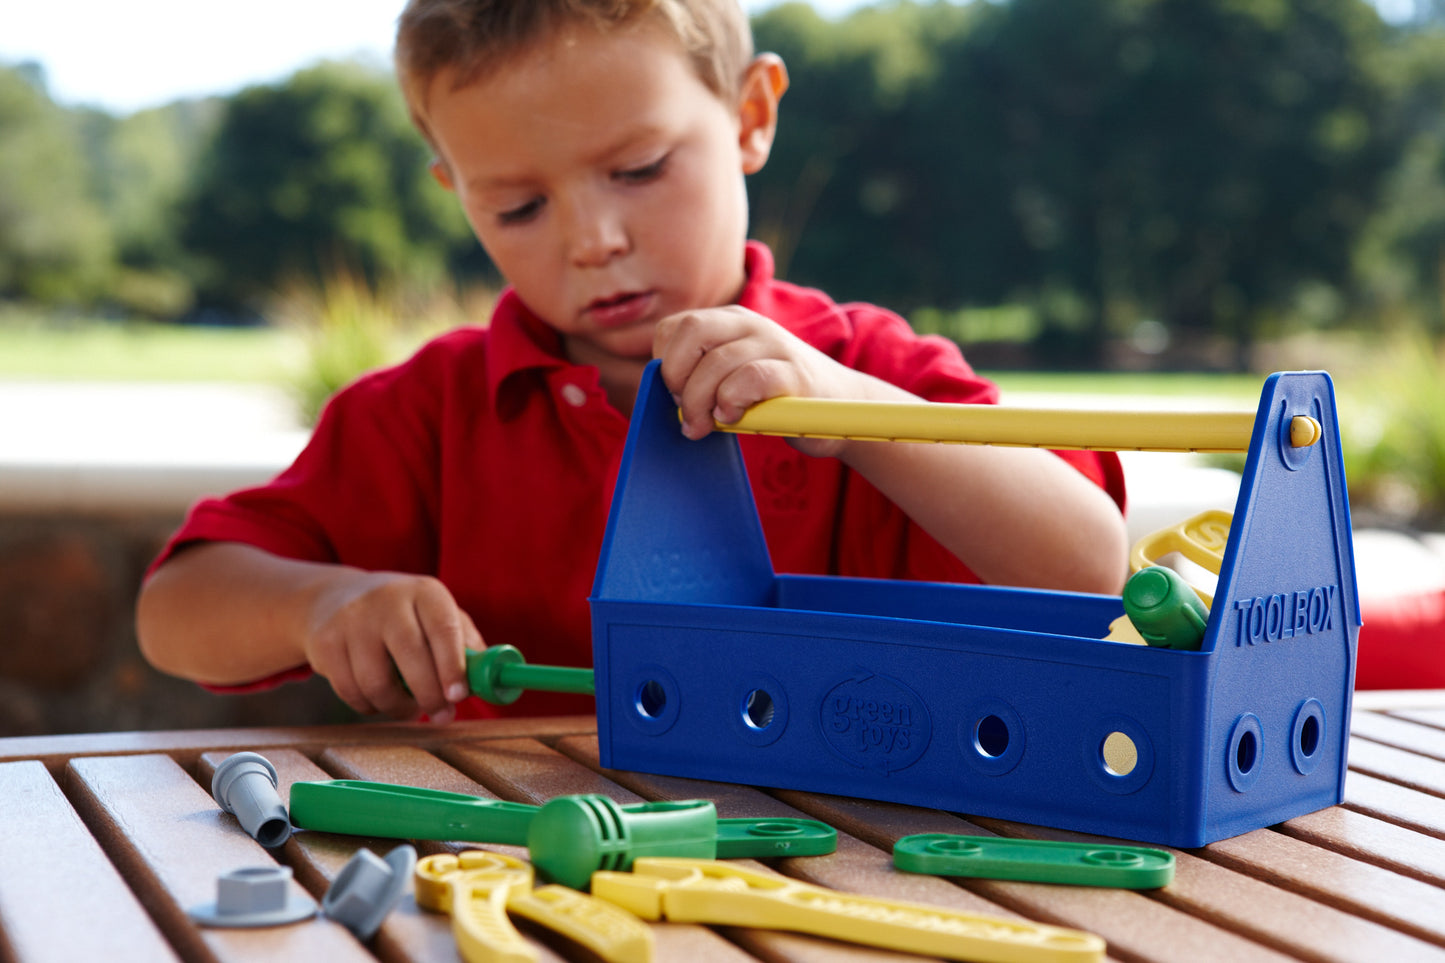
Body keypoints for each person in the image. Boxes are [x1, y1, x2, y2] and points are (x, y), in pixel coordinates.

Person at [136, 0, 1129, 726]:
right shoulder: (429, 412)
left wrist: (863, 417)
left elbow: (1088, 568)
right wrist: (321, 604)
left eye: (639, 169)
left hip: (840, 863)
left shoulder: (863, 368)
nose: (591, 239)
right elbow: (174, 612)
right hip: (513, 871)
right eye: (516, 207)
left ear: (749, 115)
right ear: (452, 187)